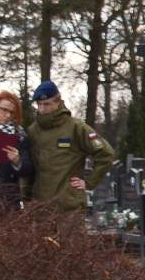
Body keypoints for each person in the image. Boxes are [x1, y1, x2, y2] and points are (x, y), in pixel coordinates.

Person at [25, 80, 115, 211]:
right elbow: (28, 167)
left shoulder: (75, 127)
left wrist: (89, 182)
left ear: (58, 102)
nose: (42, 109)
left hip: (69, 207)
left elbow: (106, 154)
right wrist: (25, 198)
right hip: (40, 207)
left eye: (47, 104)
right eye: (39, 104)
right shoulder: (33, 131)